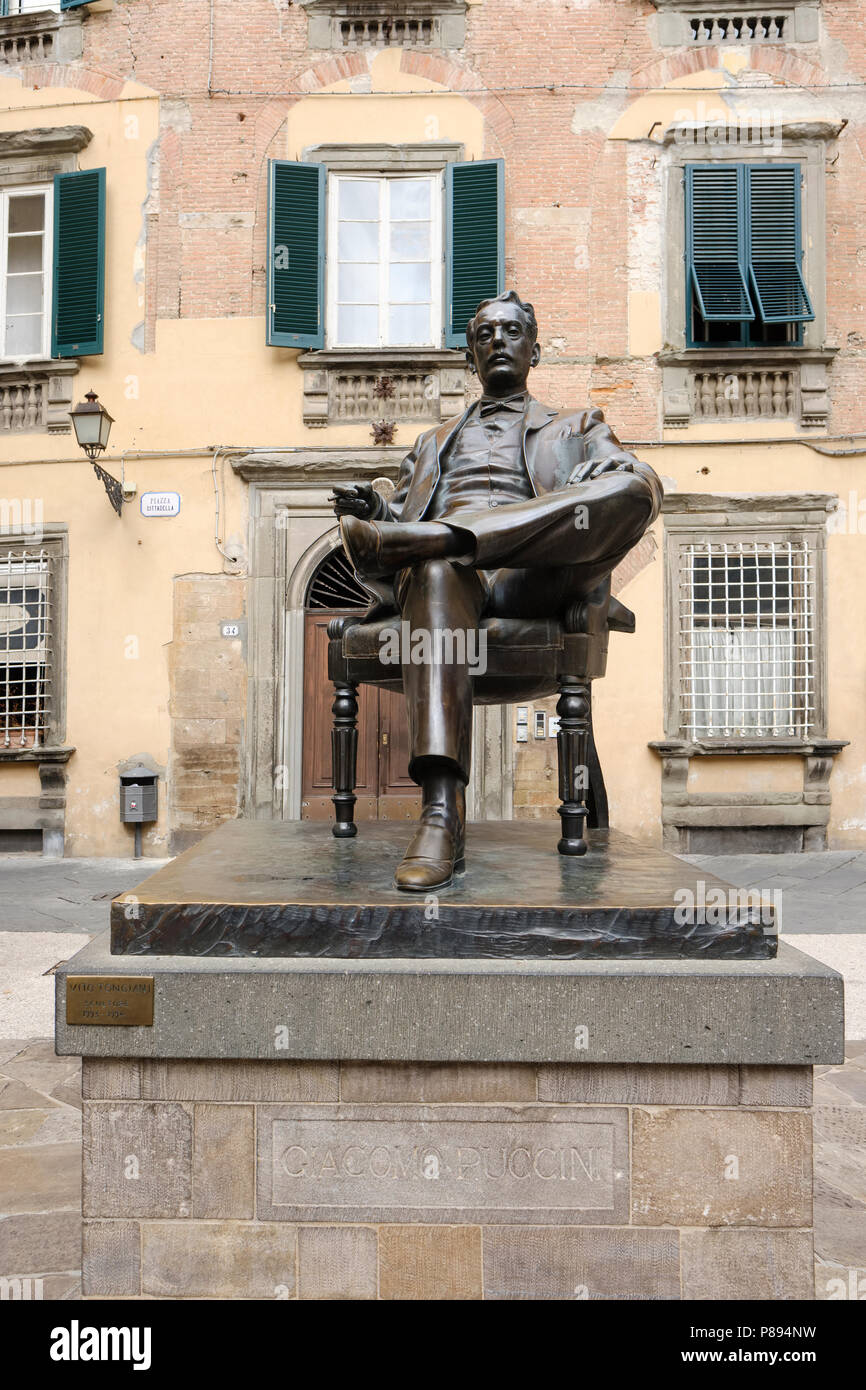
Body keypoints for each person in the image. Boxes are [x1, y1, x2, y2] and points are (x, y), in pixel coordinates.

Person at [331, 290, 663, 892]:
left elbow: (634, 486)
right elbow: (396, 521)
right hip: (447, 589)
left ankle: (440, 538)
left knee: (636, 489)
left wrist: (608, 472)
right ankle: (440, 814)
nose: (499, 342)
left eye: (512, 332)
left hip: (531, 577)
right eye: (484, 335)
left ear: (534, 348)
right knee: (434, 568)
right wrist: (378, 508)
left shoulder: (577, 426)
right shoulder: (432, 443)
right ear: (470, 356)